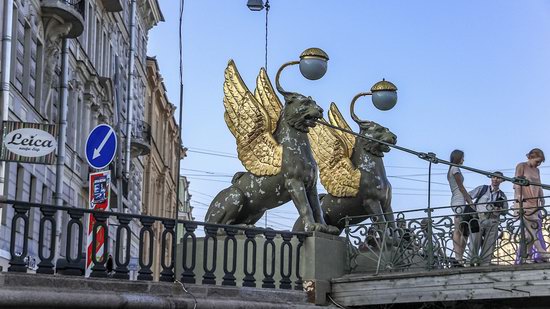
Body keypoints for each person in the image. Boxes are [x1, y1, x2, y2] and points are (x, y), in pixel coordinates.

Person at [514, 148, 548, 263]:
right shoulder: (521, 166)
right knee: (532, 229)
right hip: (524, 203)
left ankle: (527, 258)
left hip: (534, 203)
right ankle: (542, 251)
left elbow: (538, 184)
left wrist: (542, 198)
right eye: (537, 161)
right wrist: (519, 195)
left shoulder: (537, 171)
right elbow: (517, 181)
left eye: (539, 162)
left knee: (529, 235)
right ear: (530, 157)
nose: (538, 164)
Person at [468, 171, 509, 266]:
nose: (495, 179)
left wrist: (500, 209)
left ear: (502, 180)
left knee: (489, 244)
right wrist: (473, 208)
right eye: (494, 177)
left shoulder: (502, 195)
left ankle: (485, 264)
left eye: (498, 178)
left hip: (493, 220)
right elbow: (469, 196)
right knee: (474, 242)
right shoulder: (483, 188)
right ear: (491, 178)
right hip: (479, 217)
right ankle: (470, 262)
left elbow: (505, 211)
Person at [447, 149, 474, 266]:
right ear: (458, 157)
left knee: (462, 229)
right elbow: (461, 187)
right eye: (462, 157)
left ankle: (460, 256)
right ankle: (458, 257)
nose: (463, 159)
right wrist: (470, 201)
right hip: (459, 199)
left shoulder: (451, 169)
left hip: (458, 199)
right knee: (458, 228)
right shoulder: (455, 169)